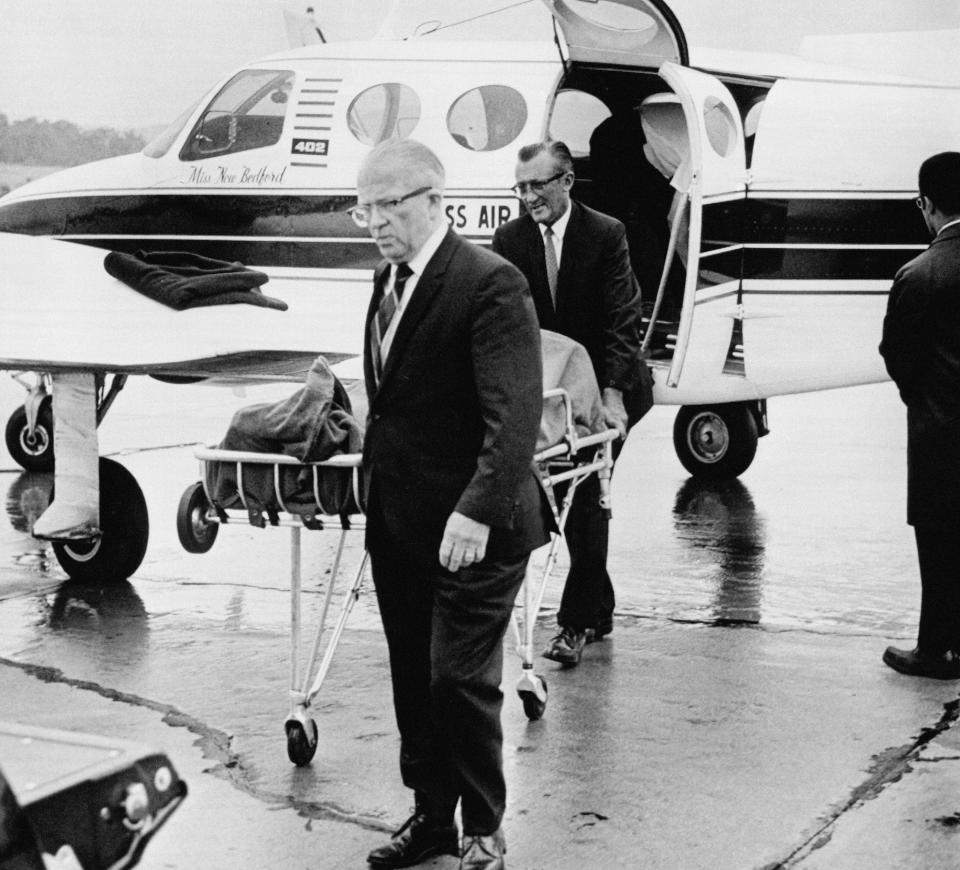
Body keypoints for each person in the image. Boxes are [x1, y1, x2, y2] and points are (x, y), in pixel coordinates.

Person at [355, 138, 552, 870]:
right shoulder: (389, 279)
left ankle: (484, 830)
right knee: (415, 676)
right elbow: (395, 407)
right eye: (364, 208)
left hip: (478, 528)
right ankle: (433, 818)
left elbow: (515, 414)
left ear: (434, 201)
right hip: (402, 524)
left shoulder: (488, 282)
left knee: (458, 678)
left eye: (388, 205)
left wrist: (475, 510)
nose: (375, 221)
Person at [492, 139, 648, 667]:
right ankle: (598, 607)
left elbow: (623, 322)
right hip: (552, 396)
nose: (528, 196)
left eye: (538, 185)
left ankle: (574, 624)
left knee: (585, 499)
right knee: (567, 500)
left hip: (607, 388)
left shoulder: (606, 234)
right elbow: (507, 325)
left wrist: (612, 398)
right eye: (520, 187)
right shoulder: (509, 239)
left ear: (566, 181)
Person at [879, 150, 960, 679]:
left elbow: (896, 356)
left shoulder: (918, 274)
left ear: (926, 205)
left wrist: (926, 399)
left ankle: (938, 648)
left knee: (939, 542)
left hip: (941, 432)